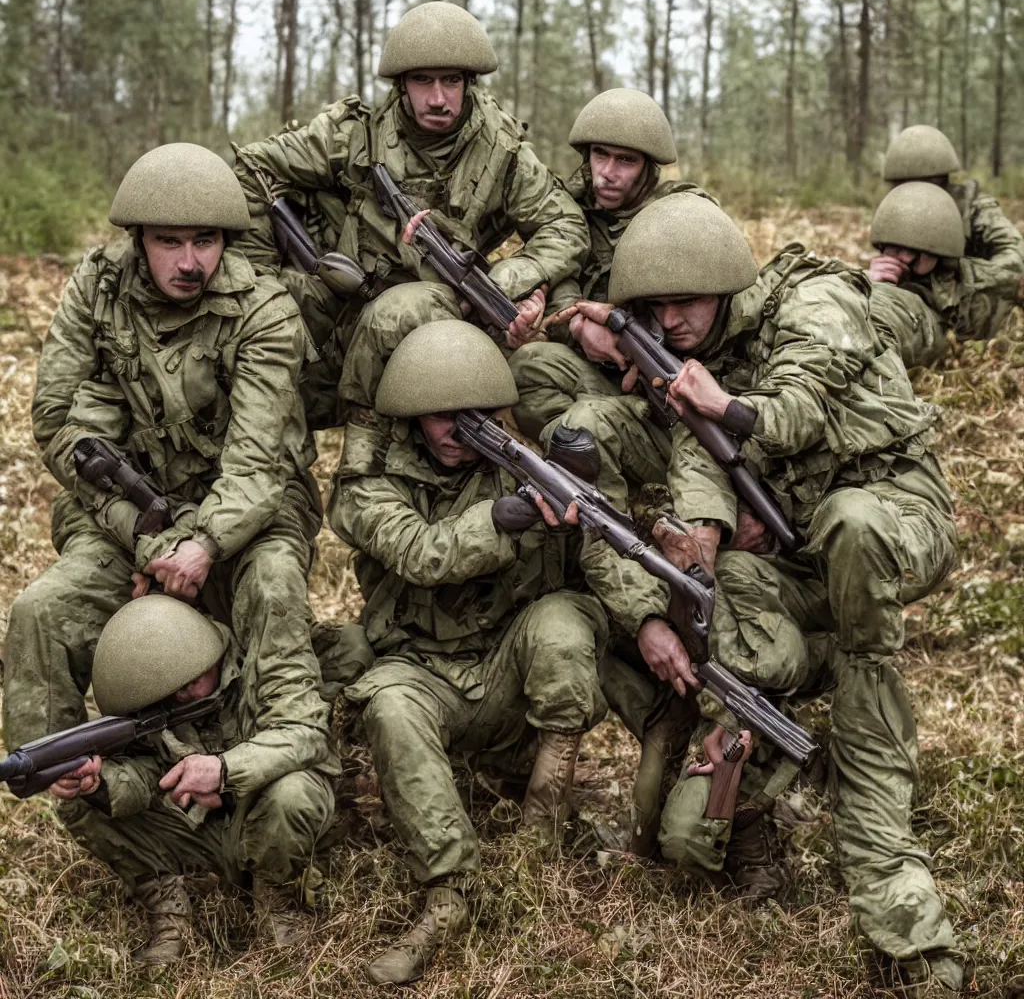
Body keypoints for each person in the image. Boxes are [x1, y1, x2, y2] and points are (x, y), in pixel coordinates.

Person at [566, 191, 964, 994]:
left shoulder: (810, 299)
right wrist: (697, 545)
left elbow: (797, 407)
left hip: (894, 523)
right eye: (656, 308)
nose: (672, 321)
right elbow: (697, 463)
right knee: (716, 596)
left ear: (725, 283)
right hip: (801, 556)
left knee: (852, 531)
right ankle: (789, 729)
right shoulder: (686, 359)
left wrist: (726, 405)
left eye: (686, 302)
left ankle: (901, 906)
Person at [326, 320, 690, 985]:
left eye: (474, 415)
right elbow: (418, 552)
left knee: (562, 619)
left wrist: (644, 613)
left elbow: (604, 559)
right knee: (388, 704)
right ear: (410, 415)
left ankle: (538, 844)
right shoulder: (368, 484)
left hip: (509, 676)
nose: (456, 431)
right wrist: (504, 519)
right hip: (421, 669)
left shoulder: (521, 464)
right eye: (440, 417)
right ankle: (449, 891)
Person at [2, 144, 328, 795]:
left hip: (247, 515)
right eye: (169, 241)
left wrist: (203, 545)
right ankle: (93, 802)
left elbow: (258, 464)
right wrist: (149, 536)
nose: (189, 261)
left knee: (272, 585)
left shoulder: (265, 310)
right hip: (128, 516)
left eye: (205, 241)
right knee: (43, 611)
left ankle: (274, 772)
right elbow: (55, 419)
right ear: (137, 239)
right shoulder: (96, 288)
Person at [233, 0, 588, 430]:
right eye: (422, 81)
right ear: (402, 84)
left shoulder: (502, 152)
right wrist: (260, 280)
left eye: (451, 81)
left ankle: (373, 451)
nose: (437, 98)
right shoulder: (356, 134)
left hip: (442, 315)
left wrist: (509, 278)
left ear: (469, 83)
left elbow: (566, 225)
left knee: (410, 316)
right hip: (338, 299)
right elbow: (252, 167)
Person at [51, 594, 336, 963]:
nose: (181, 699)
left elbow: (307, 735)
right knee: (79, 802)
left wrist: (223, 771)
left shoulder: (264, 663)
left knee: (292, 792)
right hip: (204, 834)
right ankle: (169, 912)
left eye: (187, 687)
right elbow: (152, 774)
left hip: (271, 824)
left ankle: (277, 900)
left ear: (206, 658)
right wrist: (100, 784)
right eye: (171, 695)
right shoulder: (161, 696)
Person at [509, 89, 714, 500]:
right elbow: (560, 278)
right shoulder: (570, 209)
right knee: (528, 368)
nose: (607, 172)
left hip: (679, 388)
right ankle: (597, 462)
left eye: (626, 160)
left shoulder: (681, 215)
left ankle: (655, 473)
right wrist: (581, 325)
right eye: (600, 154)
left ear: (647, 167)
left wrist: (625, 330)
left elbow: (699, 313)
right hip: (609, 380)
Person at [882, 125, 1024, 340]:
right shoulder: (900, 214)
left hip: (982, 306)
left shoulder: (975, 209)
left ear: (942, 182)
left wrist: (950, 269)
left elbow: (1016, 261)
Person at [866, 180, 1005, 368]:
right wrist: (864, 283)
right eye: (894, 246)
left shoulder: (966, 280)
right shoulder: (872, 275)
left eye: (916, 249)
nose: (904, 257)